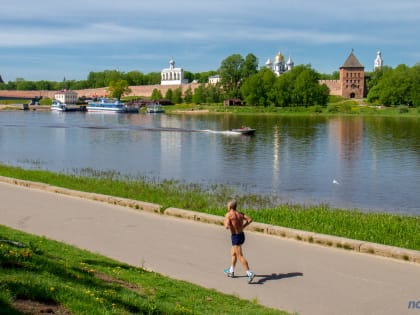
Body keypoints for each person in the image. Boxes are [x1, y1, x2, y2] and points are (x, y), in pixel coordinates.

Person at [223, 199, 255, 283]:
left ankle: (249, 273)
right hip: (241, 235)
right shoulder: (240, 214)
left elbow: (226, 226)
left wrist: (226, 223)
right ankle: (231, 270)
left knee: (240, 255)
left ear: (230, 207)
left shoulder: (228, 215)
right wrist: (242, 227)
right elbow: (250, 220)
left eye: (227, 206)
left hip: (235, 237)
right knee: (233, 253)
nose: (227, 207)